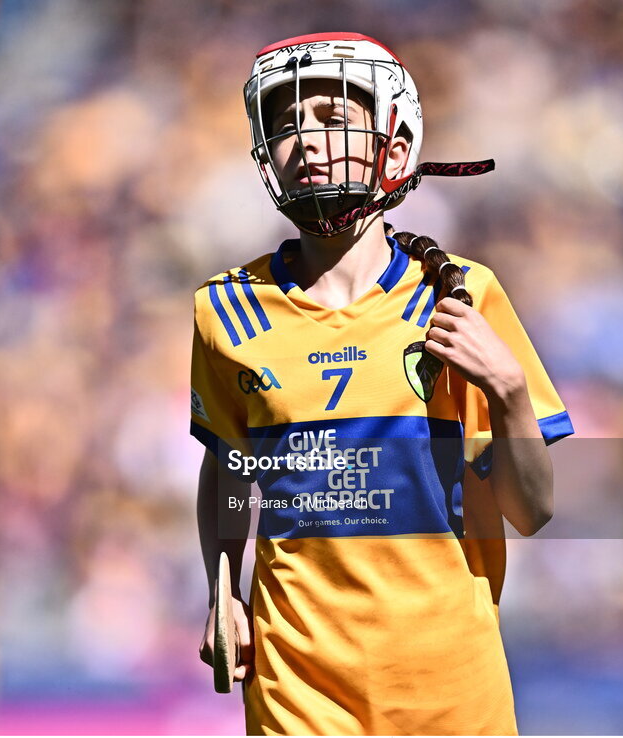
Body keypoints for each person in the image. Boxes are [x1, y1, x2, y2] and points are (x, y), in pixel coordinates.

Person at [192, 32, 573, 735]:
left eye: (332, 120)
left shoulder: (461, 294)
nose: (303, 140)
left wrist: (512, 393)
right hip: (297, 690)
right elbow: (229, 466)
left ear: (394, 151)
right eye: (283, 124)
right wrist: (224, 581)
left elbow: (532, 510)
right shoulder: (224, 308)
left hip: (451, 690)